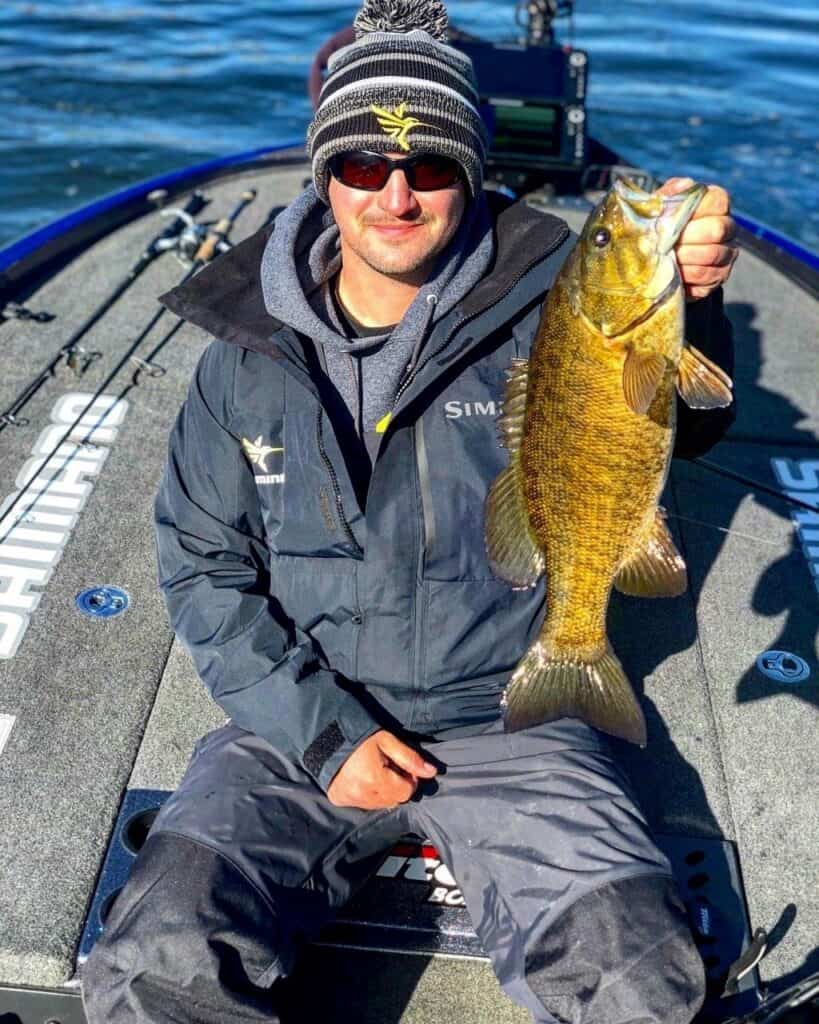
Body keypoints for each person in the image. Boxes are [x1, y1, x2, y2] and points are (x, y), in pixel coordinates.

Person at [82, 1, 740, 1021]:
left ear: (470, 174)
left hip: (515, 716)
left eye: (429, 166)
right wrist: (321, 734)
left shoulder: (561, 302)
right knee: (157, 951)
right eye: (362, 165)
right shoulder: (237, 363)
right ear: (324, 174)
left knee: (639, 972)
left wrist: (697, 305)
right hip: (293, 731)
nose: (395, 193)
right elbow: (204, 567)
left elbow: (672, 422)